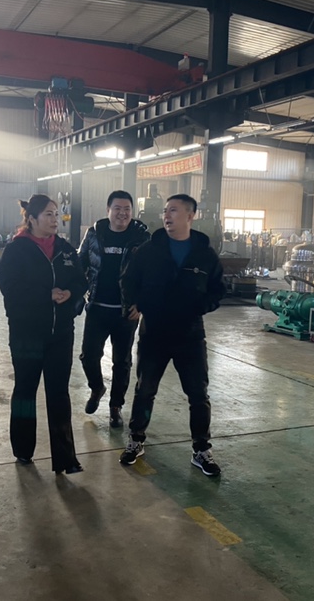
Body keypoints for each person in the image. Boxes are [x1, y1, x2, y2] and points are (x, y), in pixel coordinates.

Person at [119, 194, 226, 477]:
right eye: (166, 211)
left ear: (190, 216)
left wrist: (200, 307)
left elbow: (218, 289)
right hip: (154, 332)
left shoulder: (204, 254)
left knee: (198, 394)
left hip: (190, 334)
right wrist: (134, 303)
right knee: (145, 389)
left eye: (174, 211)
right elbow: (128, 279)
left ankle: (201, 449)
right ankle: (136, 440)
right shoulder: (149, 250)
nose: (167, 215)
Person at [0, 194, 88, 475]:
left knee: (59, 393)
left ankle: (65, 458)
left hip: (61, 333)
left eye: (56, 214)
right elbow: (10, 288)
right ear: (32, 219)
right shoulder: (17, 250)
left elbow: (81, 281)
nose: (54, 219)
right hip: (27, 333)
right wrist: (45, 294)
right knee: (25, 390)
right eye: (48, 214)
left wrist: (70, 293)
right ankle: (23, 449)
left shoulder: (65, 250)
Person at [78, 191, 150, 427]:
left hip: (126, 312)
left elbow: (150, 274)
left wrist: (141, 303)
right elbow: (81, 264)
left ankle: (115, 407)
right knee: (89, 355)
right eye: (117, 208)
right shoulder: (94, 233)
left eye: (127, 208)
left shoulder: (141, 237)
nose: (122, 213)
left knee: (122, 362)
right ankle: (97, 387)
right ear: (108, 210)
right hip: (97, 308)